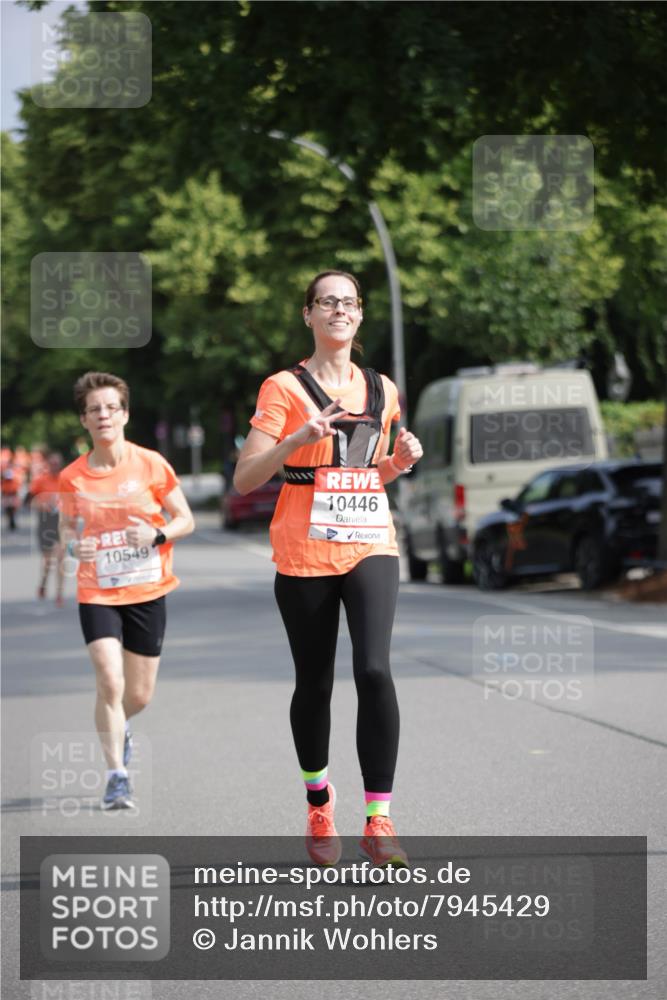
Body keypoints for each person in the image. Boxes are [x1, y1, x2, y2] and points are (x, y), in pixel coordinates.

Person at [234, 270, 423, 866]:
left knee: (373, 670)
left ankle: (379, 818)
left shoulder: (382, 389)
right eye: (327, 302)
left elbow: (368, 474)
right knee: (314, 683)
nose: (339, 310)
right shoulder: (282, 388)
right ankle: (319, 801)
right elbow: (245, 477)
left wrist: (400, 460)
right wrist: (295, 439)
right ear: (308, 315)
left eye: (348, 302)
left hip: (370, 544)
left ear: (360, 316)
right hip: (304, 551)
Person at [58, 372, 195, 810]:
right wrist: (73, 544)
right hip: (97, 589)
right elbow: (63, 529)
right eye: (94, 409)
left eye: (111, 407)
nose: (103, 415)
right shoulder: (72, 478)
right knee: (109, 680)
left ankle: (119, 726)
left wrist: (156, 535)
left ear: (125, 414)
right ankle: (117, 776)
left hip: (147, 588)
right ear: (84, 420)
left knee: (137, 695)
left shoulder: (151, 464)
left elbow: (184, 520)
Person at [27, 451, 66, 606]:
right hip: (46, 522)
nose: (55, 466)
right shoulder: (40, 481)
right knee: (48, 561)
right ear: (48, 465)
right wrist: (41, 505)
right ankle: (43, 583)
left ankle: (59, 593)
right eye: (53, 464)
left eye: (58, 464)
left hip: (62, 522)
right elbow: (30, 502)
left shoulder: (67, 479)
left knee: (61, 558)